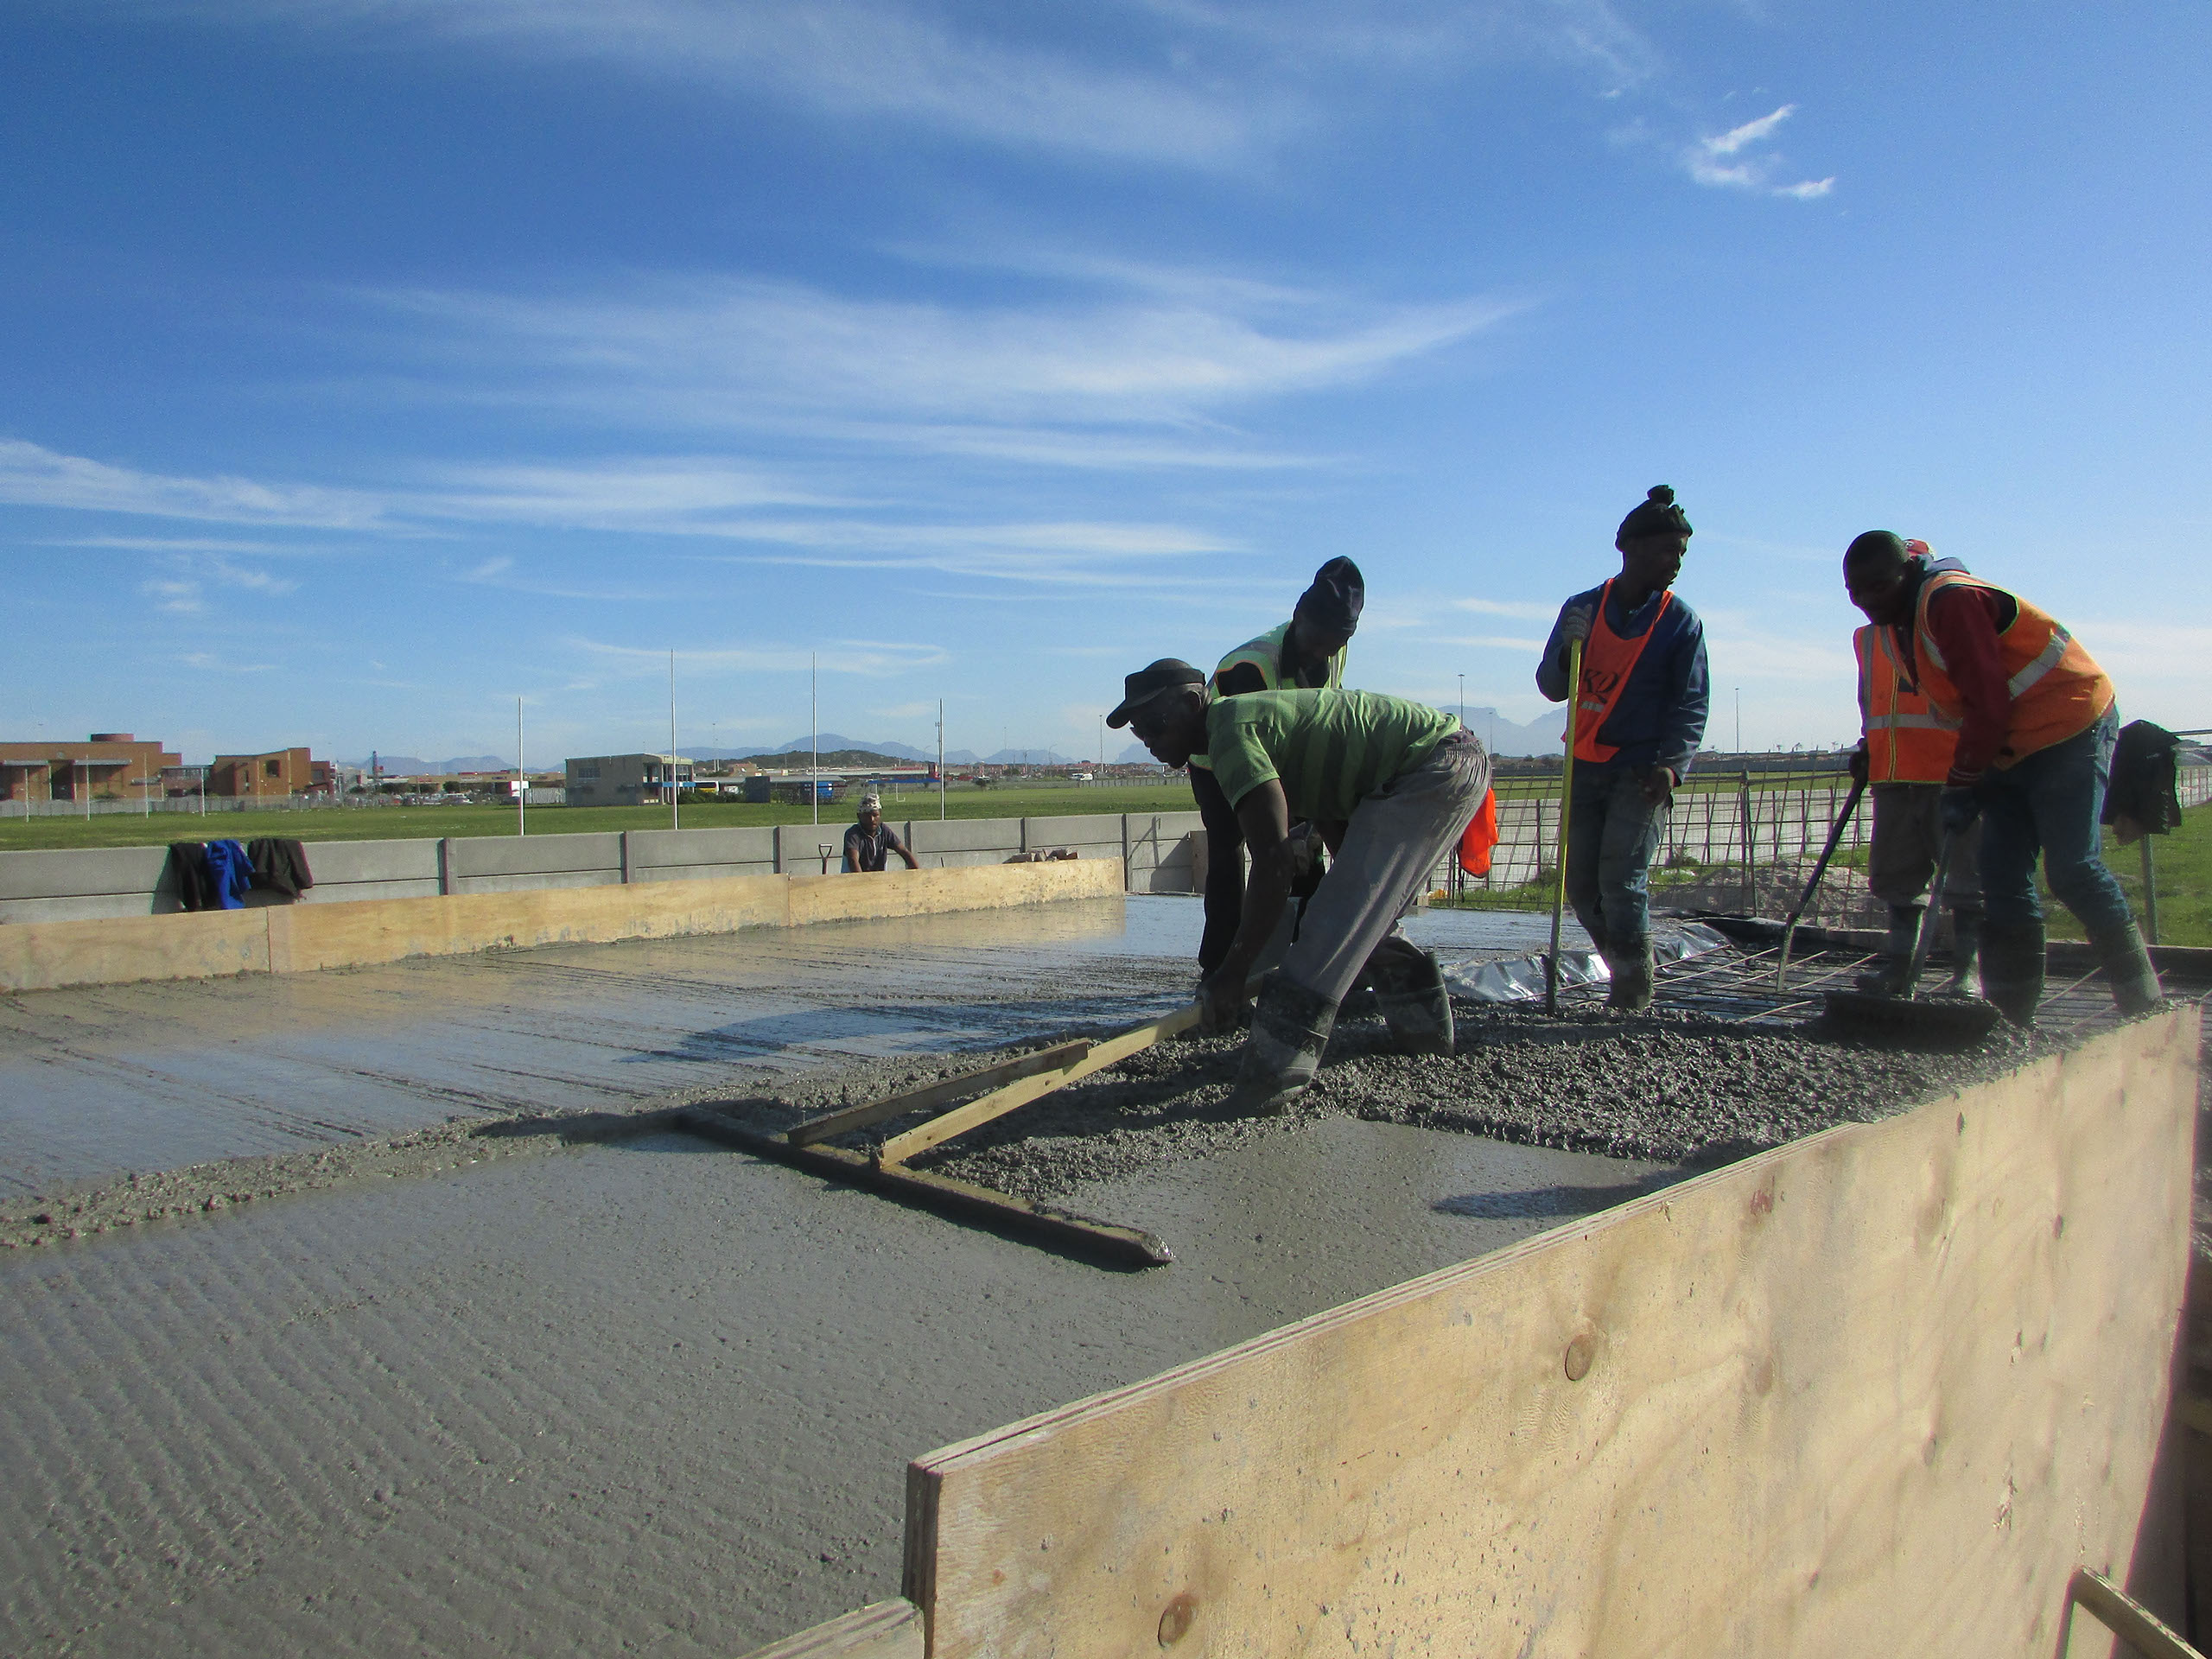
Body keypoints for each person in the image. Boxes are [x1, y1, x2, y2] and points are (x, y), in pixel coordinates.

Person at [1109, 658, 1488, 1115]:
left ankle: (1271, 1080)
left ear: (1192, 704)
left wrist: (1234, 971)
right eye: (1139, 732)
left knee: (1331, 924)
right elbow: (1327, 804)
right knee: (1359, 916)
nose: (1149, 741)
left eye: (1155, 725)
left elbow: (1273, 862)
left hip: (1435, 764)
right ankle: (1425, 1036)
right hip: (1436, 763)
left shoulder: (1230, 730)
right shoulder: (1248, 728)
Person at [1840, 531, 2159, 1022]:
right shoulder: (1903, 620)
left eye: (1877, 586)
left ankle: (2143, 1002)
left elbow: (1987, 701)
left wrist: (1963, 780)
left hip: (2068, 726)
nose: (1866, 600)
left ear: (1907, 570)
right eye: (1855, 592)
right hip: (2010, 742)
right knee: (2002, 878)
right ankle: (2012, 1019)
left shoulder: (1950, 601)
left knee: (2073, 870)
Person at [1535, 486, 1709, 1011]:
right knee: (1581, 885)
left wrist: (1671, 767)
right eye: (1667, 550)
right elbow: (1551, 687)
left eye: (1681, 552)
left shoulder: (1680, 622)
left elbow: (1691, 704)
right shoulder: (1583, 608)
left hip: (1640, 771)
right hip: (1585, 765)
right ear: (1629, 547)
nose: (1676, 562)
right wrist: (1567, 651)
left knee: (1622, 881)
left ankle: (1632, 994)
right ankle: (1624, 964)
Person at [1190, 557, 1364, 976]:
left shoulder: (1334, 648)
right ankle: (1218, 969)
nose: (1321, 653)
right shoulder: (1251, 667)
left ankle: (1309, 960)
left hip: (1285, 754)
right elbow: (1248, 750)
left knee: (1305, 852)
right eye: (1314, 642)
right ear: (1297, 616)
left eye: (1333, 645)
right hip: (1218, 760)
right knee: (1232, 855)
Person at [1847, 540, 1985, 995]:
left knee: (1968, 882)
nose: (1871, 598)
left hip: (1950, 774)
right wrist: (1868, 747)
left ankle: (1968, 972)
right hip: (1893, 775)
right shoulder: (1867, 638)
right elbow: (1873, 702)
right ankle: (1900, 968)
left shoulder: (1941, 618)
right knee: (1897, 880)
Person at [842, 794, 918, 873]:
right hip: (854, 878)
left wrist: (918, 874)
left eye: (875, 815)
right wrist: (862, 879)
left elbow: (904, 852)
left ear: (880, 814)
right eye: (867, 816)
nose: (872, 819)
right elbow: (853, 860)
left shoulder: (884, 830)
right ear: (859, 816)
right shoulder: (853, 834)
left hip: (879, 878)